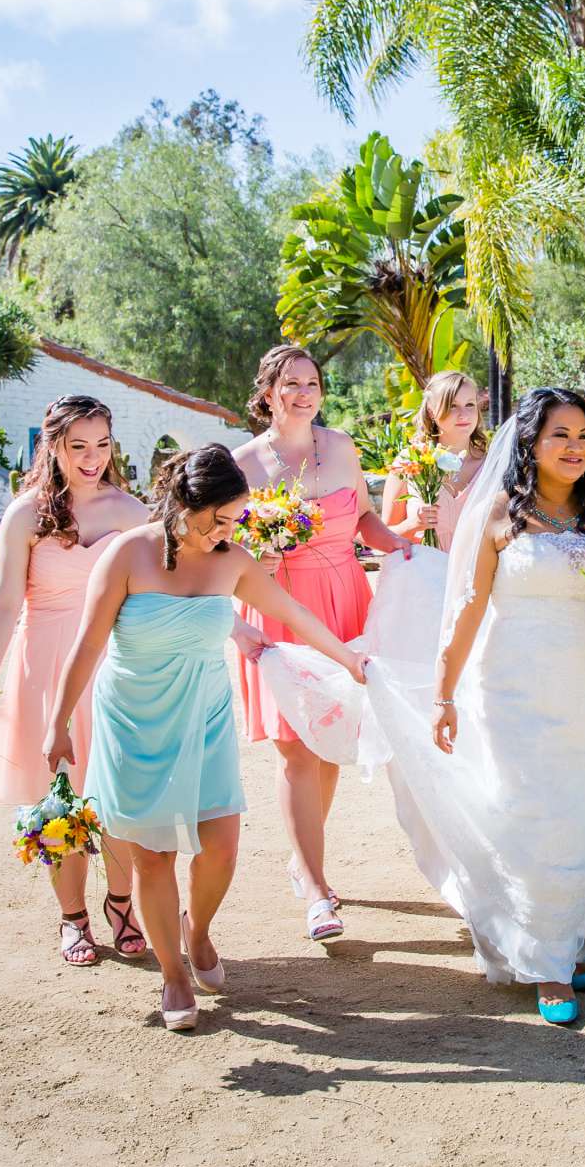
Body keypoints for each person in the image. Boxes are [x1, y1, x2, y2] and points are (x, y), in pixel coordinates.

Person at [264, 388, 585, 1026]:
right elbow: (467, 606)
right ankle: (544, 962)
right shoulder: (503, 510)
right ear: (530, 443)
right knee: (530, 812)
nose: (576, 448)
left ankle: (571, 931)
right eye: (560, 435)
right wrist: (445, 693)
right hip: (514, 689)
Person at [46, 445, 367, 1030]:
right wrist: (59, 722)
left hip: (205, 716)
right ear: (180, 502)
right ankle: (173, 974)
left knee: (220, 845)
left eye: (233, 520)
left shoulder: (232, 560)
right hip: (134, 719)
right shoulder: (127, 554)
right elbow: (88, 645)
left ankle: (198, 931)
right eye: (215, 519)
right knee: (154, 854)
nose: (225, 531)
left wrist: (350, 661)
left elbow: (294, 614)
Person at [229, 344, 415, 943]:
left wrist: (405, 546)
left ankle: (302, 858)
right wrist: (262, 552)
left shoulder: (341, 448)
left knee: (331, 741)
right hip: (279, 605)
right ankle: (314, 887)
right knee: (295, 749)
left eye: (312, 382)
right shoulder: (242, 465)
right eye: (291, 383)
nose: (304, 393)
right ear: (268, 392)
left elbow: (363, 518)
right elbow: (221, 549)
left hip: (345, 601)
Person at [0, 394, 150, 966]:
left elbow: (159, 588)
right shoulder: (25, 514)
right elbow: (3, 604)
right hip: (43, 664)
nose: (92, 458)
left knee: (120, 796)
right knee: (60, 799)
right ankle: (73, 919)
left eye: (101, 445)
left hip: (113, 666)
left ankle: (123, 905)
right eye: (78, 447)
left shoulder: (132, 511)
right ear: (53, 447)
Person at [379, 370, 490, 550]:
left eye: (470, 404)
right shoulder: (409, 463)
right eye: (452, 406)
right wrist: (413, 524)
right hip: (425, 572)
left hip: (476, 575)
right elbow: (382, 540)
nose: (464, 414)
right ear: (431, 412)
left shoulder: (492, 465)